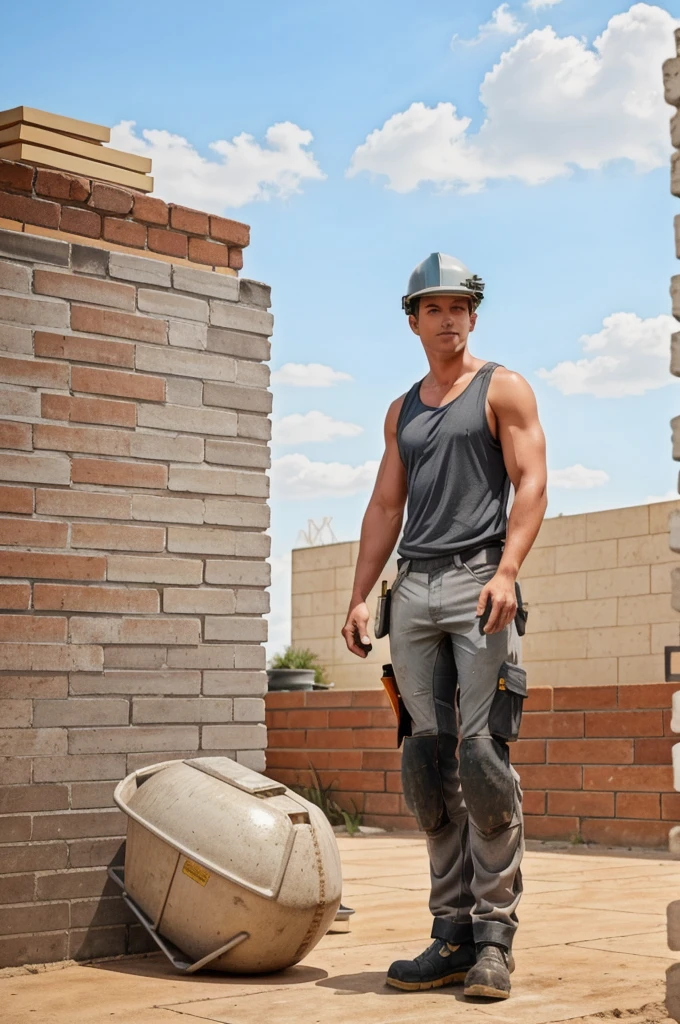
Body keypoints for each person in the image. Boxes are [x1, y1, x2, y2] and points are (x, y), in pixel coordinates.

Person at [341, 253, 548, 1001]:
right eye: (434, 308)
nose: (449, 317)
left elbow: (532, 481)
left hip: (477, 583)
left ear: (473, 315)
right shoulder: (402, 410)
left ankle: (495, 939)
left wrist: (507, 572)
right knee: (429, 769)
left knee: (484, 760)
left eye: (460, 305)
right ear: (413, 320)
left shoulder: (505, 388)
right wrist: (363, 596)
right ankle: (450, 935)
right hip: (414, 592)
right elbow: (384, 508)